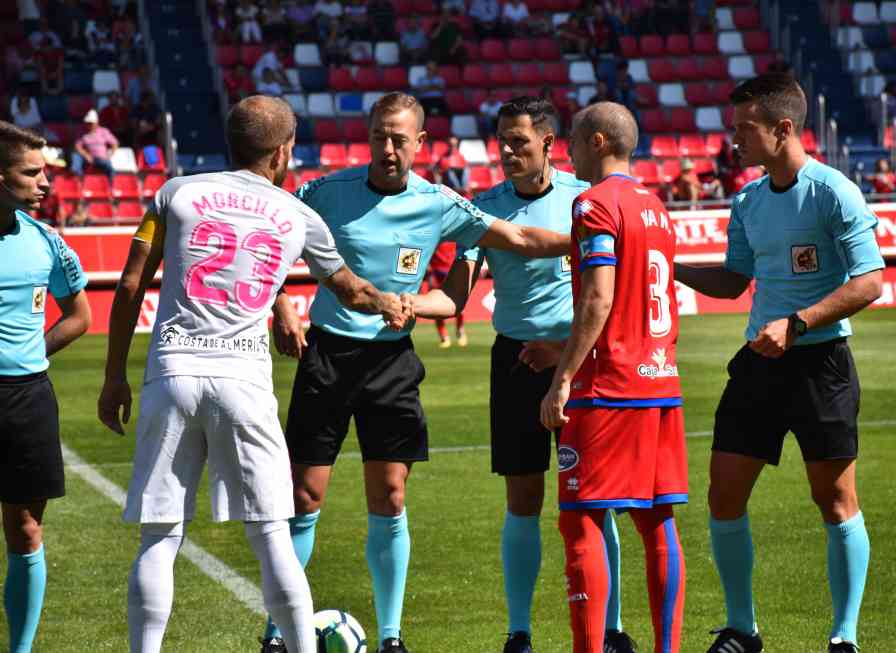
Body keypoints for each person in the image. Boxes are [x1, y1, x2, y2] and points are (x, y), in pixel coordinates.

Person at [95, 96, 409, 653]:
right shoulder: (298, 215)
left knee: (160, 536)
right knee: (271, 538)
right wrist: (387, 301)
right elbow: (350, 290)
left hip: (173, 369)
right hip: (243, 380)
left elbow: (128, 285)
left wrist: (114, 374)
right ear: (284, 150)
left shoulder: (176, 193)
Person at [264, 92, 571, 653]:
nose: (388, 148)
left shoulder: (440, 203)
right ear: (368, 135)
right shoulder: (325, 193)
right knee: (304, 497)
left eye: (399, 139)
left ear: (420, 144)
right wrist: (280, 300)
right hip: (328, 356)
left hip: (392, 363)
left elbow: (523, 239)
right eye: (380, 135)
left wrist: (593, 241)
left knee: (392, 496)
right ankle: (275, 635)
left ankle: (390, 637)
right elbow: (269, 238)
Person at [409, 96, 638, 653]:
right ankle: (519, 633)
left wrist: (560, 351)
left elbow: (614, 296)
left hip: (580, 363)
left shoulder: (584, 201)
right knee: (522, 499)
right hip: (514, 361)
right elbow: (454, 296)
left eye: (520, 142)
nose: (508, 152)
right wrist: (404, 304)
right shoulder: (482, 210)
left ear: (549, 145)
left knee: (594, 501)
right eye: (502, 142)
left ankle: (611, 631)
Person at [674, 73, 883, 653]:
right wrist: (669, 266)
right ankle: (743, 630)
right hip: (759, 366)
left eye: (744, 128)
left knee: (836, 502)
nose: (732, 139)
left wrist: (797, 323)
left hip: (821, 366)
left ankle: (844, 638)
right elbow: (735, 279)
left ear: (783, 128)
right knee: (723, 495)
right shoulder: (748, 199)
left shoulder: (834, 191)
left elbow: (870, 282)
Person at [532, 101, 687, 653]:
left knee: (581, 522)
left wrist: (563, 377)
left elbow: (598, 299)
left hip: (608, 390)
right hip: (660, 380)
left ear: (597, 141)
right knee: (657, 520)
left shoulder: (593, 204)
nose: (567, 150)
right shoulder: (657, 206)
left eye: (573, 139)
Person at [0, 120, 91, 653]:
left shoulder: (46, 242)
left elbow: (78, 314)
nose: (44, 182)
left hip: (27, 399)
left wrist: (32, 353)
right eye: (31, 172)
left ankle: (21, 648)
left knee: (27, 530)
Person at [424, 241, 466, 348]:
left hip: (453, 271)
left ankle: (460, 331)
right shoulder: (434, 234)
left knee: (459, 305)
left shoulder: (455, 235)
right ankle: (444, 337)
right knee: (436, 308)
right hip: (436, 273)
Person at [71, 109, 118, 179]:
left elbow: (114, 143)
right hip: (87, 158)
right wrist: (86, 155)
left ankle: (111, 186)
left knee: (110, 168)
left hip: (101, 158)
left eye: (91, 123)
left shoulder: (103, 131)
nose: (89, 125)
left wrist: (110, 154)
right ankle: (79, 179)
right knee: (75, 156)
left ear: (96, 123)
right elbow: (77, 146)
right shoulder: (82, 132)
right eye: (88, 123)